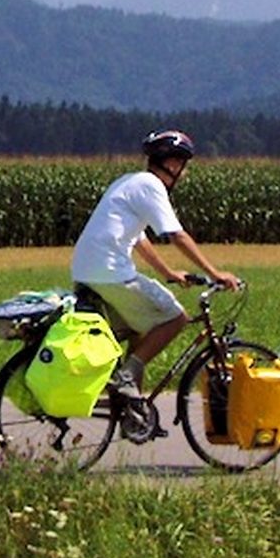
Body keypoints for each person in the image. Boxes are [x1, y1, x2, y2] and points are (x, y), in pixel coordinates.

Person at [69, 129, 239, 440]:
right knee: (175, 318)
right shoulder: (150, 186)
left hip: (88, 271)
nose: (183, 174)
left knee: (141, 329)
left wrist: (168, 272)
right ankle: (125, 379)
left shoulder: (130, 182)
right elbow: (175, 234)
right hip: (110, 272)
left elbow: (139, 239)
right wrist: (215, 273)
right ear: (173, 164)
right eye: (182, 166)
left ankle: (135, 414)